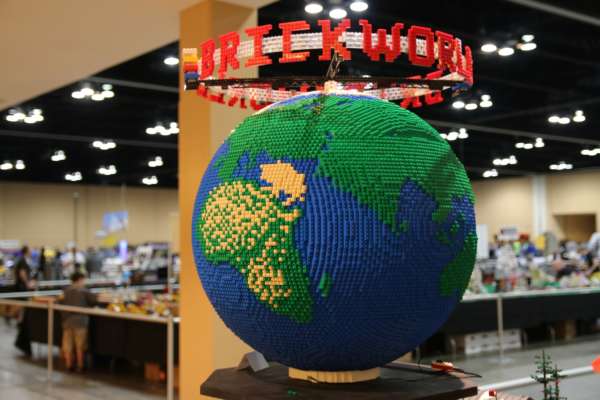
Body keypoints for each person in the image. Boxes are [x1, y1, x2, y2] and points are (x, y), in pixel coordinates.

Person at [61, 272, 98, 372]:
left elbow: (60, 302)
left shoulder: (65, 291)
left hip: (67, 321)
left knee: (68, 344)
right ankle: (80, 365)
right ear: (80, 279)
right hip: (80, 321)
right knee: (80, 345)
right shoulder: (84, 291)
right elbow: (94, 301)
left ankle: (69, 365)